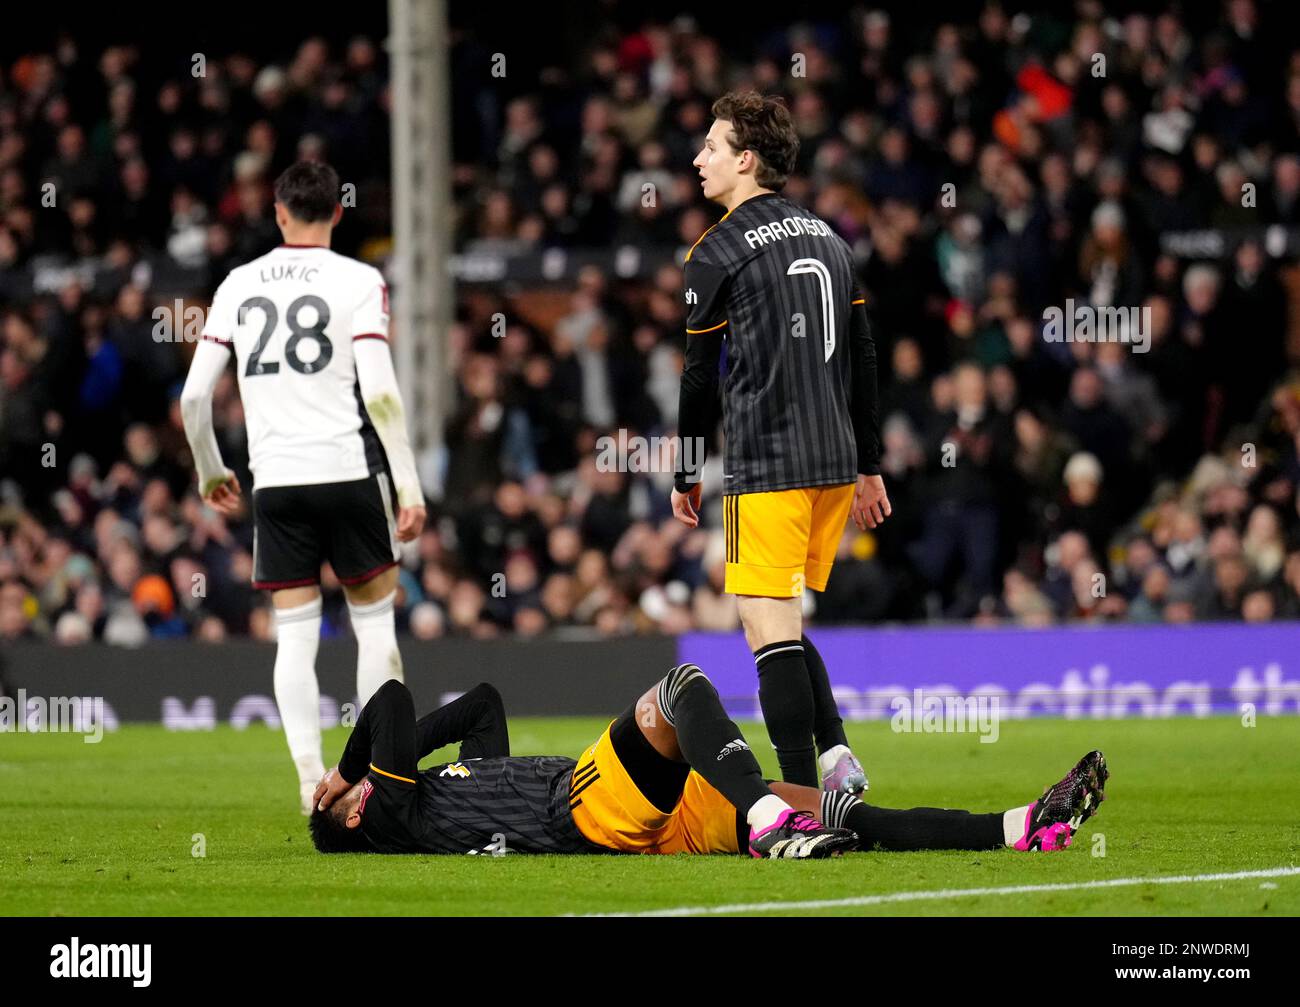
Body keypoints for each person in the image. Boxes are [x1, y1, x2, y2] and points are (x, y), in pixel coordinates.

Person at [180, 161, 426, 813]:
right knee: (375, 627)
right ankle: (372, 782)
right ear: (338, 212)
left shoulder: (238, 283)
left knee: (295, 637)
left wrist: (211, 469)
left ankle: (307, 785)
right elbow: (379, 391)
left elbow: (195, 393)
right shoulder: (359, 280)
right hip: (346, 470)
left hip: (278, 482)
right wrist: (408, 484)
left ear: (279, 212)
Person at [309, 665, 1108, 859]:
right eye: (349, 805)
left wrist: (389, 769)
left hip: (647, 821)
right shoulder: (386, 815)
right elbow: (388, 699)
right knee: (681, 687)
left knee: (846, 818)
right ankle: (766, 823)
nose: (365, 792)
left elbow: (480, 703)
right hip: (582, 805)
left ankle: (1017, 827)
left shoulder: (442, 790)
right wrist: (345, 779)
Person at [671, 91, 890, 792]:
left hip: (768, 459)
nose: (698, 158)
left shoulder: (716, 249)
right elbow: (863, 353)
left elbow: (700, 375)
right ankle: (834, 755)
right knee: (785, 622)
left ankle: (799, 796)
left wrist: (684, 471)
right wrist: (870, 465)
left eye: (711, 146)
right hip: (833, 459)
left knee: (766, 630)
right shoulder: (830, 236)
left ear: (745, 159)